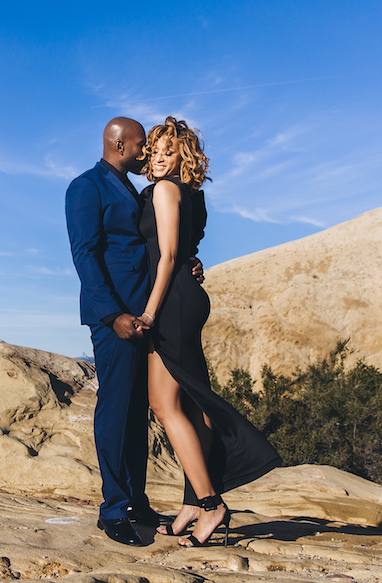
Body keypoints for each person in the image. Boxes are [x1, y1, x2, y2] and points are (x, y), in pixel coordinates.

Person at [136, 117, 281, 547]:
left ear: (184, 156)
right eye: (155, 151)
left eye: (169, 152)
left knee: (169, 404)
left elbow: (168, 257)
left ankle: (210, 502)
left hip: (172, 302)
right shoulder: (192, 194)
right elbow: (188, 254)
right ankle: (190, 505)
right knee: (183, 402)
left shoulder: (165, 191)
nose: (159, 159)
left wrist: (147, 314)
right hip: (185, 297)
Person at [65, 117, 202, 547]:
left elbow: (157, 242)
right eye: (142, 146)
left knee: (137, 413)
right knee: (115, 408)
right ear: (120, 143)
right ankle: (112, 510)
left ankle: (136, 501)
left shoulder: (133, 186)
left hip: (148, 315)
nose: (147, 153)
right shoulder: (86, 186)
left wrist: (187, 264)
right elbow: (85, 255)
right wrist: (112, 315)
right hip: (119, 319)